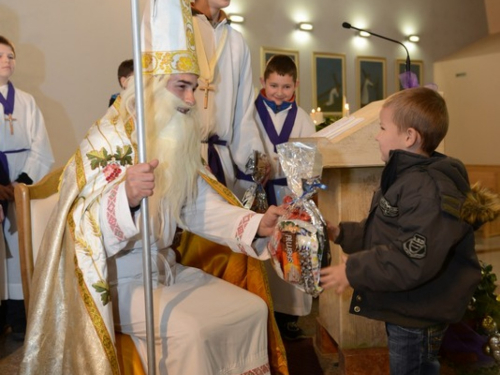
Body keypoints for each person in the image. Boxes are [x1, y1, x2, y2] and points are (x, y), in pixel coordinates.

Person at [19, 1, 288, 374]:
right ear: (152, 85)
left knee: (252, 309)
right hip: (121, 283)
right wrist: (125, 198)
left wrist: (257, 224)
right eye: (183, 87)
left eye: (194, 88)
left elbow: (195, 206)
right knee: (193, 332)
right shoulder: (105, 142)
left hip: (167, 270)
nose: (192, 100)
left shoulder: (171, 138)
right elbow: (78, 231)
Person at [319, 87, 500, 374]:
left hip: (418, 312)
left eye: (382, 128)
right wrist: (339, 233)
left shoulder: (426, 188)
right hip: (409, 307)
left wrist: (352, 270)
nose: (377, 135)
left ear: (409, 137)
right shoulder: (405, 177)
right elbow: (383, 232)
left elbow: (412, 258)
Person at [254, 54, 315, 340]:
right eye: (274, 85)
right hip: (256, 190)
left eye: (286, 86)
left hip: (288, 193)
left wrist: (292, 170)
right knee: (261, 251)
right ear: (263, 82)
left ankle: (288, 314)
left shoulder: (301, 118)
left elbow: (308, 156)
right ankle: (259, 309)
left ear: (296, 85)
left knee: (289, 249)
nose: (280, 92)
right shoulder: (250, 113)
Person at [0, 35, 54, 341]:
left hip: (20, 185)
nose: (7, 61)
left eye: (11, 56)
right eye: (1, 56)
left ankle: (20, 317)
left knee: (21, 252)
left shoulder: (27, 101)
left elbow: (41, 147)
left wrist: (21, 183)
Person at [191, 0, 267, 198]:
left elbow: (243, 111)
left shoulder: (236, 41)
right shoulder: (181, 29)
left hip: (219, 160)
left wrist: (255, 159)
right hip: (183, 156)